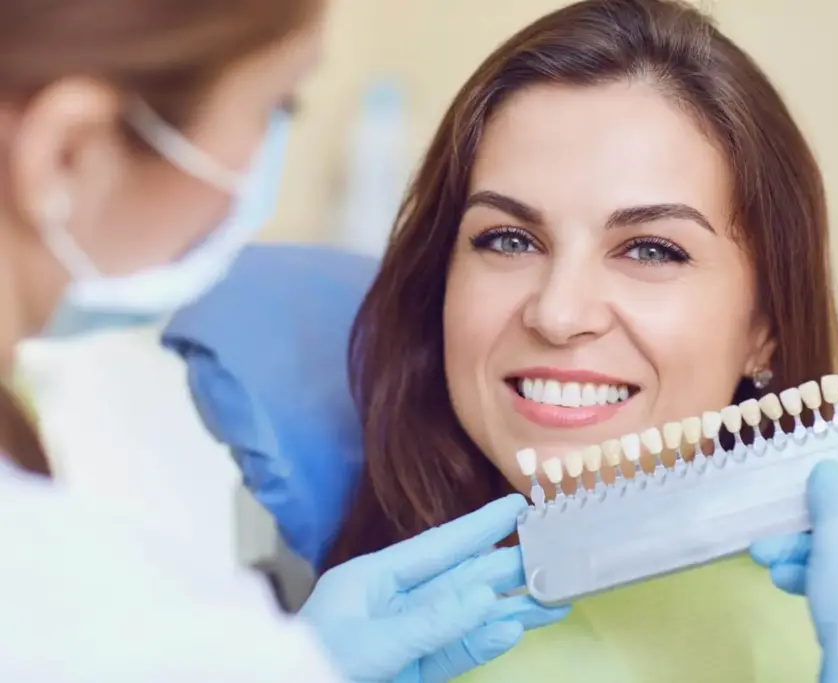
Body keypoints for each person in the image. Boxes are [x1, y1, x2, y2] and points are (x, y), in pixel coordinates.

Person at [325, 0, 838, 680]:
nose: (557, 314)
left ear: (766, 328)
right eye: (509, 238)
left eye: (649, 250)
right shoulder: (338, 628)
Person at [0, 1, 566, 681]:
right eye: (277, 106)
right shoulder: (90, 616)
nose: (559, 315)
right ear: (68, 150)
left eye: (652, 250)